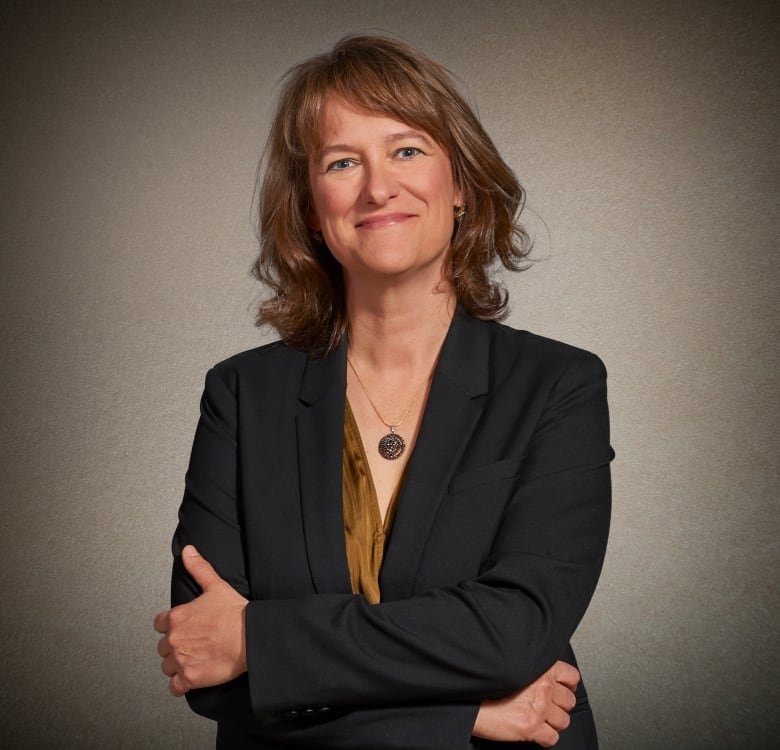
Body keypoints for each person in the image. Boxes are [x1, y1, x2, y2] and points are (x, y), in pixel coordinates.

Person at [154, 34, 613, 749]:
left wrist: (261, 640)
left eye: (406, 150)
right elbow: (208, 666)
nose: (378, 188)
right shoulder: (240, 395)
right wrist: (465, 717)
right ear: (311, 206)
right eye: (342, 162)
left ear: (461, 183)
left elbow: (511, 635)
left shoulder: (558, 385)